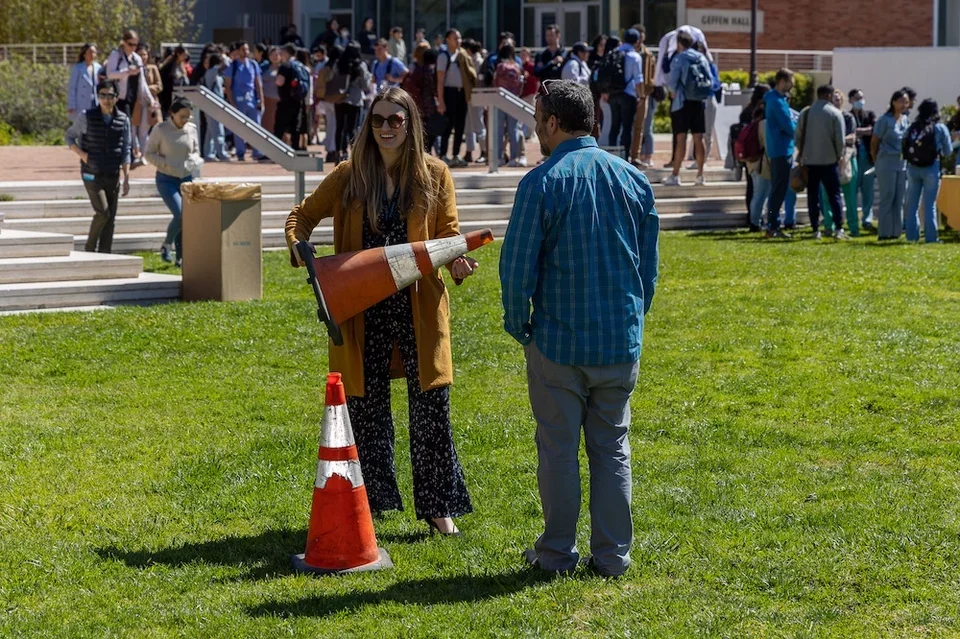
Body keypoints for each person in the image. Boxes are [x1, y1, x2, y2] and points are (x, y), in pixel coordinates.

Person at [285, 87, 476, 536]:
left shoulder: (434, 174)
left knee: (431, 404)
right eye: (378, 120)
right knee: (365, 406)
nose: (386, 128)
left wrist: (458, 261)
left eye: (395, 120)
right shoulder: (350, 175)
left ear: (411, 126)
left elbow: (447, 234)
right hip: (361, 306)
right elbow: (301, 218)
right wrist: (300, 249)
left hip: (418, 306)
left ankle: (437, 506)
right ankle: (371, 502)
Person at [499, 80, 659, 577]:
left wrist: (517, 323)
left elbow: (516, 269)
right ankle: (612, 557)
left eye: (536, 121)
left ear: (552, 123)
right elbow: (647, 271)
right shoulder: (633, 180)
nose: (534, 130)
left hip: (558, 344)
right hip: (617, 342)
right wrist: (634, 319)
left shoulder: (542, 182)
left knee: (558, 450)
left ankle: (556, 554)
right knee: (612, 449)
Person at [65, 79, 132, 254]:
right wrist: (83, 155)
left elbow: (126, 149)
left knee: (110, 219)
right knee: (103, 212)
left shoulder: (123, 119)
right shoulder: (86, 116)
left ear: (117, 97)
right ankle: (89, 248)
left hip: (112, 174)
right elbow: (69, 137)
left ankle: (105, 254)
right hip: (91, 173)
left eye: (110, 95)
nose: (106, 99)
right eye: (102, 95)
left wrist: (126, 177)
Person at [146, 96, 202, 266]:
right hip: (166, 179)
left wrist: (194, 161)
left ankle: (180, 257)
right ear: (172, 114)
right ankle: (167, 245)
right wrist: (166, 164)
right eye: (182, 116)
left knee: (184, 219)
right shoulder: (160, 129)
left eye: (188, 116)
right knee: (180, 214)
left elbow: (196, 151)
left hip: (186, 178)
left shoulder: (191, 129)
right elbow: (148, 154)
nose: (185, 120)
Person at [796, 84, 847, 240]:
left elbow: (797, 137)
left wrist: (805, 153)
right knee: (834, 195)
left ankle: (814, 229)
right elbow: (840, 140)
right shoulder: (835, 113)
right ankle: (838, 229)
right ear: (830, 96)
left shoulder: (805, 113)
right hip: (829, 161)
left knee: (813, 196)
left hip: (810, 161)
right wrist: (839, 156)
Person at [903, 99, 953, 243]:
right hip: (931, 168)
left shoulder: (913, 126)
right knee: (929, 204)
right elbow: (948, 152)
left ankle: (912, 236)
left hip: (912, 167)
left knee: (913, 204)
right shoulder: (939, 127)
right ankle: (931, 238)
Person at [664, 30, 706, 187]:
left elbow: (673, 84)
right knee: (698, 138)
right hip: (698, 101)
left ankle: (675, 175)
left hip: (682, 102)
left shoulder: (679, 58)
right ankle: (700, 175)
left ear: (679, 44)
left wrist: (672, 93)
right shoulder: (701, 57)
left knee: (681, 138)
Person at [871, 90, 911, 240]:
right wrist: (876, 159)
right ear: (893, 102)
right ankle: (884, 232)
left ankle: (896, 231)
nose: (903, 105)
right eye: (901, 101)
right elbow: (874, 142)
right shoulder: (884, 120)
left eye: (906, 102)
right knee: (888, 197)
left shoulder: (906, 120)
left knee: (899, 198)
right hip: (886, 161)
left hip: (901, 163)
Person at [819, 90, 860, 237]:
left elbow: (852, 138)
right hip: (829, 160)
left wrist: (836, 139)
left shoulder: (848, 117)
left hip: (848, 159)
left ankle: (853, 227)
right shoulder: (825, 117)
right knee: (827, 196)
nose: (835, 102)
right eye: (833, 99)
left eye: (837, 99)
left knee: (850, 197)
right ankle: (828, 226)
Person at [762, 68, 796, 239]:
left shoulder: (776, 100)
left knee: (778, 189)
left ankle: (773, 224)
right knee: (778, 189)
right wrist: (800, 130)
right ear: (782, 81)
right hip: (781, 149)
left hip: (780, 149)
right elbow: (789, 126)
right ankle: (772, 225)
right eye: (791, 82)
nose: (793, 85)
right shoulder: (776, 102)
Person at [224, 40, 266, 162]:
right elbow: (228, 86)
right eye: (243, 49)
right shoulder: (233, 66)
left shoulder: (253, 64)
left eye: (247, 49)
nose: (246, 52)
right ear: (237, 51)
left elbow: (258, 83)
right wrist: (232, 103)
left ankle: (257, 151)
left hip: (251, 99)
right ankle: (240, 152)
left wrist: (261, 100)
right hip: (238, 100)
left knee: (256, 126)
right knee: (239, 127)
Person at [437, 29, 472, 167]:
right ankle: (443, 154)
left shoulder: (462, 55)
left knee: (460, 125)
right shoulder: (443, 56)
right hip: (449, 92)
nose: (458, 41)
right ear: (447, 40)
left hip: (461, 93)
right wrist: (441, 101)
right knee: (448, 125)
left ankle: (456, 154)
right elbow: (439, 80)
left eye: (459, 38)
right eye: (455, 38)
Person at [605, 29, 643, 158]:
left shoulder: (615, 52)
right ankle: (625, 158)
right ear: (637, 41)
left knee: (614, 126)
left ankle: (610, 157)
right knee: (627, 128)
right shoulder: (635, 56)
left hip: (613, 94)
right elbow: (638, 79)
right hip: (628, 95)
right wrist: (641, 96)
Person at [333, 41, 372, 162]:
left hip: (339, 98)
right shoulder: (360, 65)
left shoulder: (339, 64)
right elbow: (365, 85)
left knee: (339, 127)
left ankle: (339, 152)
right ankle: (354, 153)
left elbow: (333, 78)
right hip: (355, 99)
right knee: (352, 128)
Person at [629, 26, 657, 168]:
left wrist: (648, 90)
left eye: (641, 36)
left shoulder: (648, 54)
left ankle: (648, 155)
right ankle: (635, 155)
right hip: (630, 95)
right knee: (632, 127)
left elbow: (652, 75)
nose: (639, 40)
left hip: (646, 95)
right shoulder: (628, 53)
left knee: (647, 127)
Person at [849, 88, 878, 230]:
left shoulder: (869, 115)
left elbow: (874, 129)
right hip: (852, 158)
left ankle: (867, 219)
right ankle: (852, 217)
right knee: (852, 190)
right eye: (856, 98)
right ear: (850, 101)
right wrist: (864, 131)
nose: (859, 101)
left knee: (868, 191)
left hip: (867, 157)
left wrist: (858, 131)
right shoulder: (847, 116)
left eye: (861, 98)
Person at [105, 30, 151, 120]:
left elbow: (142, 81)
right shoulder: (116, 55)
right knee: (123, 122)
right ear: (124, 42)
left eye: (135, 45)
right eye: (130, 44)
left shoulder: (137, 58)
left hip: (132, 97)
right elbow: (110, 74)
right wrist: (127, 72)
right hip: (118, 97)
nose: (133, 47)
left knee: (127, 123)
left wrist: (150, 100)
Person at [402, 45, 439, 153]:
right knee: (432, 129)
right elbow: (433, 88)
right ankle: (428, 150)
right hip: (429, 104)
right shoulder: (430, 70)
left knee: (421, 129)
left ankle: (422, 150)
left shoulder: (417, 69)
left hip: (418, 103)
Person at [493, 42, 525, 166]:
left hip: (501, 99)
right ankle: (514, 158)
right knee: (514, 129)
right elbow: (521, 84)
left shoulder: (500, 66)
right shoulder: (517, 66)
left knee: (499, 130)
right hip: (514, 99)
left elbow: (495, 83)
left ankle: (499, 157)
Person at [274, 43, 306, 149]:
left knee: (280, 127)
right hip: (298, 101)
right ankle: (295, 150)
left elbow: (280, 82)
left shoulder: (285, 66)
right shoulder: (301, 66)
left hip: (286, 101)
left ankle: (276, 151)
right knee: (295, 128)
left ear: (286, 53)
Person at [315, 44, 342, 164]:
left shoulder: (324, 67)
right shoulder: (337, 68)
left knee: (329, 125)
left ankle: (329, 150)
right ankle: (333, 150)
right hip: (335, 99)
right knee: (335, 126)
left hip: (325, 99)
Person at [201, 53, 230, 161]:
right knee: (218, 129)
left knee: (210, 130)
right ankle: (221, 153)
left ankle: (209, 153)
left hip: (213, 104)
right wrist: (225, 57)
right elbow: (227, 65)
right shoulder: (213, 71)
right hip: (214, 104)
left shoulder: (211, 72)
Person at [68, 44, 102, 123]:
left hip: (95, 101)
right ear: (84, 54)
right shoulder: (77, 68)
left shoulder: (98, 67)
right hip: (82, 102)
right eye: (90, 52)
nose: (92, 55)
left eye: (94, 53)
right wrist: (72, 105)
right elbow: (72, 87)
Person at [158, 46, 189, 118]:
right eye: (184, 55)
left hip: (177, 94)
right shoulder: (170, 65)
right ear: (178, 54)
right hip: (167, 95)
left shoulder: (181, 65)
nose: (185, 57)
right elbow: (168, 78)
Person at [261, 46, 281, 134]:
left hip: (278, 99)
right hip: (265, 98)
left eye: (276, 55)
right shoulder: (264, 67)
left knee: (276, 121)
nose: (274, 57)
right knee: (266, 121)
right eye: (272, 55)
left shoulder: (283, 68)